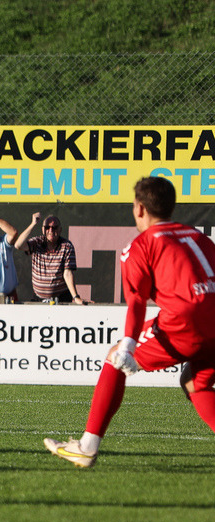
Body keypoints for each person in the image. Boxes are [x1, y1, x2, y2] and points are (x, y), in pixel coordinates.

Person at [45, 176, 215, 468]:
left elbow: (137, 302)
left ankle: (86, 448)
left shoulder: (141, 245)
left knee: (114, 358)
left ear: (139, 209)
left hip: (185, 321)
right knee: (194, 380)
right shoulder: (198, 237)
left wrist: (128, 344)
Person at [14, 212, 85, 304]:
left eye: (54, 227)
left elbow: (68, 274)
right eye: (47, 227)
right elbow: (18, 245)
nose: (51, 230)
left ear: (60, 230)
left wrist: (76, 297)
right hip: (38, 299)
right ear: (43, 230)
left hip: (61, 299)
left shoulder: (66, 246)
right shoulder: (37, 242)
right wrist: (33, 224)